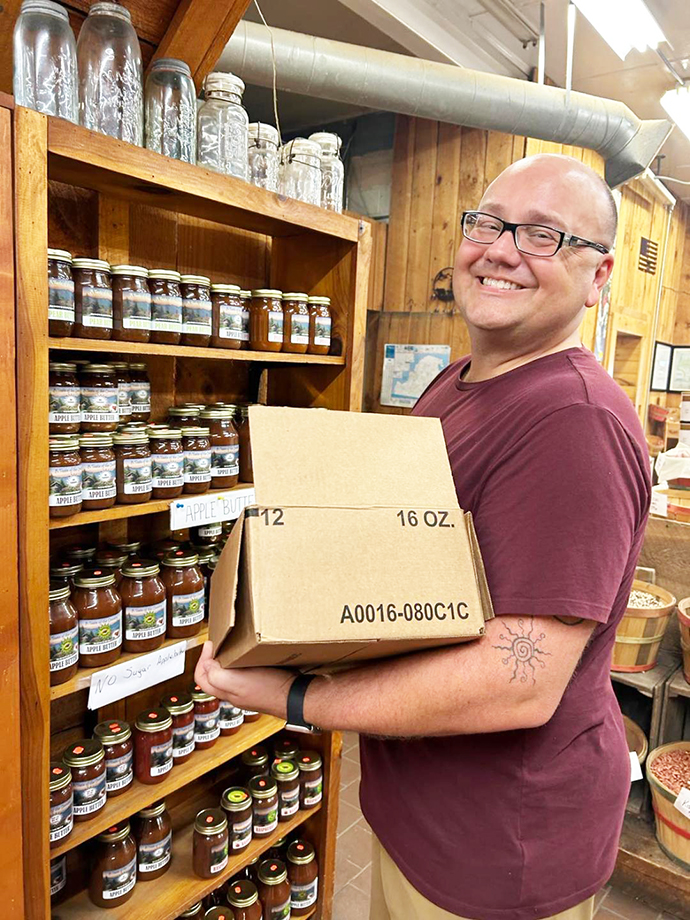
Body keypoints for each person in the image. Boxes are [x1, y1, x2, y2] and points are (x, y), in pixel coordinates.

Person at [195, 154, 651, 920]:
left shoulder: (573, 422)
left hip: (500, 849)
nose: (501, 249)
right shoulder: (460, 379)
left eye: (543, 235)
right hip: (427, 819)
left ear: (599, 276)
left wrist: (299, 696)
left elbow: (521, 678)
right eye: (488, 223)